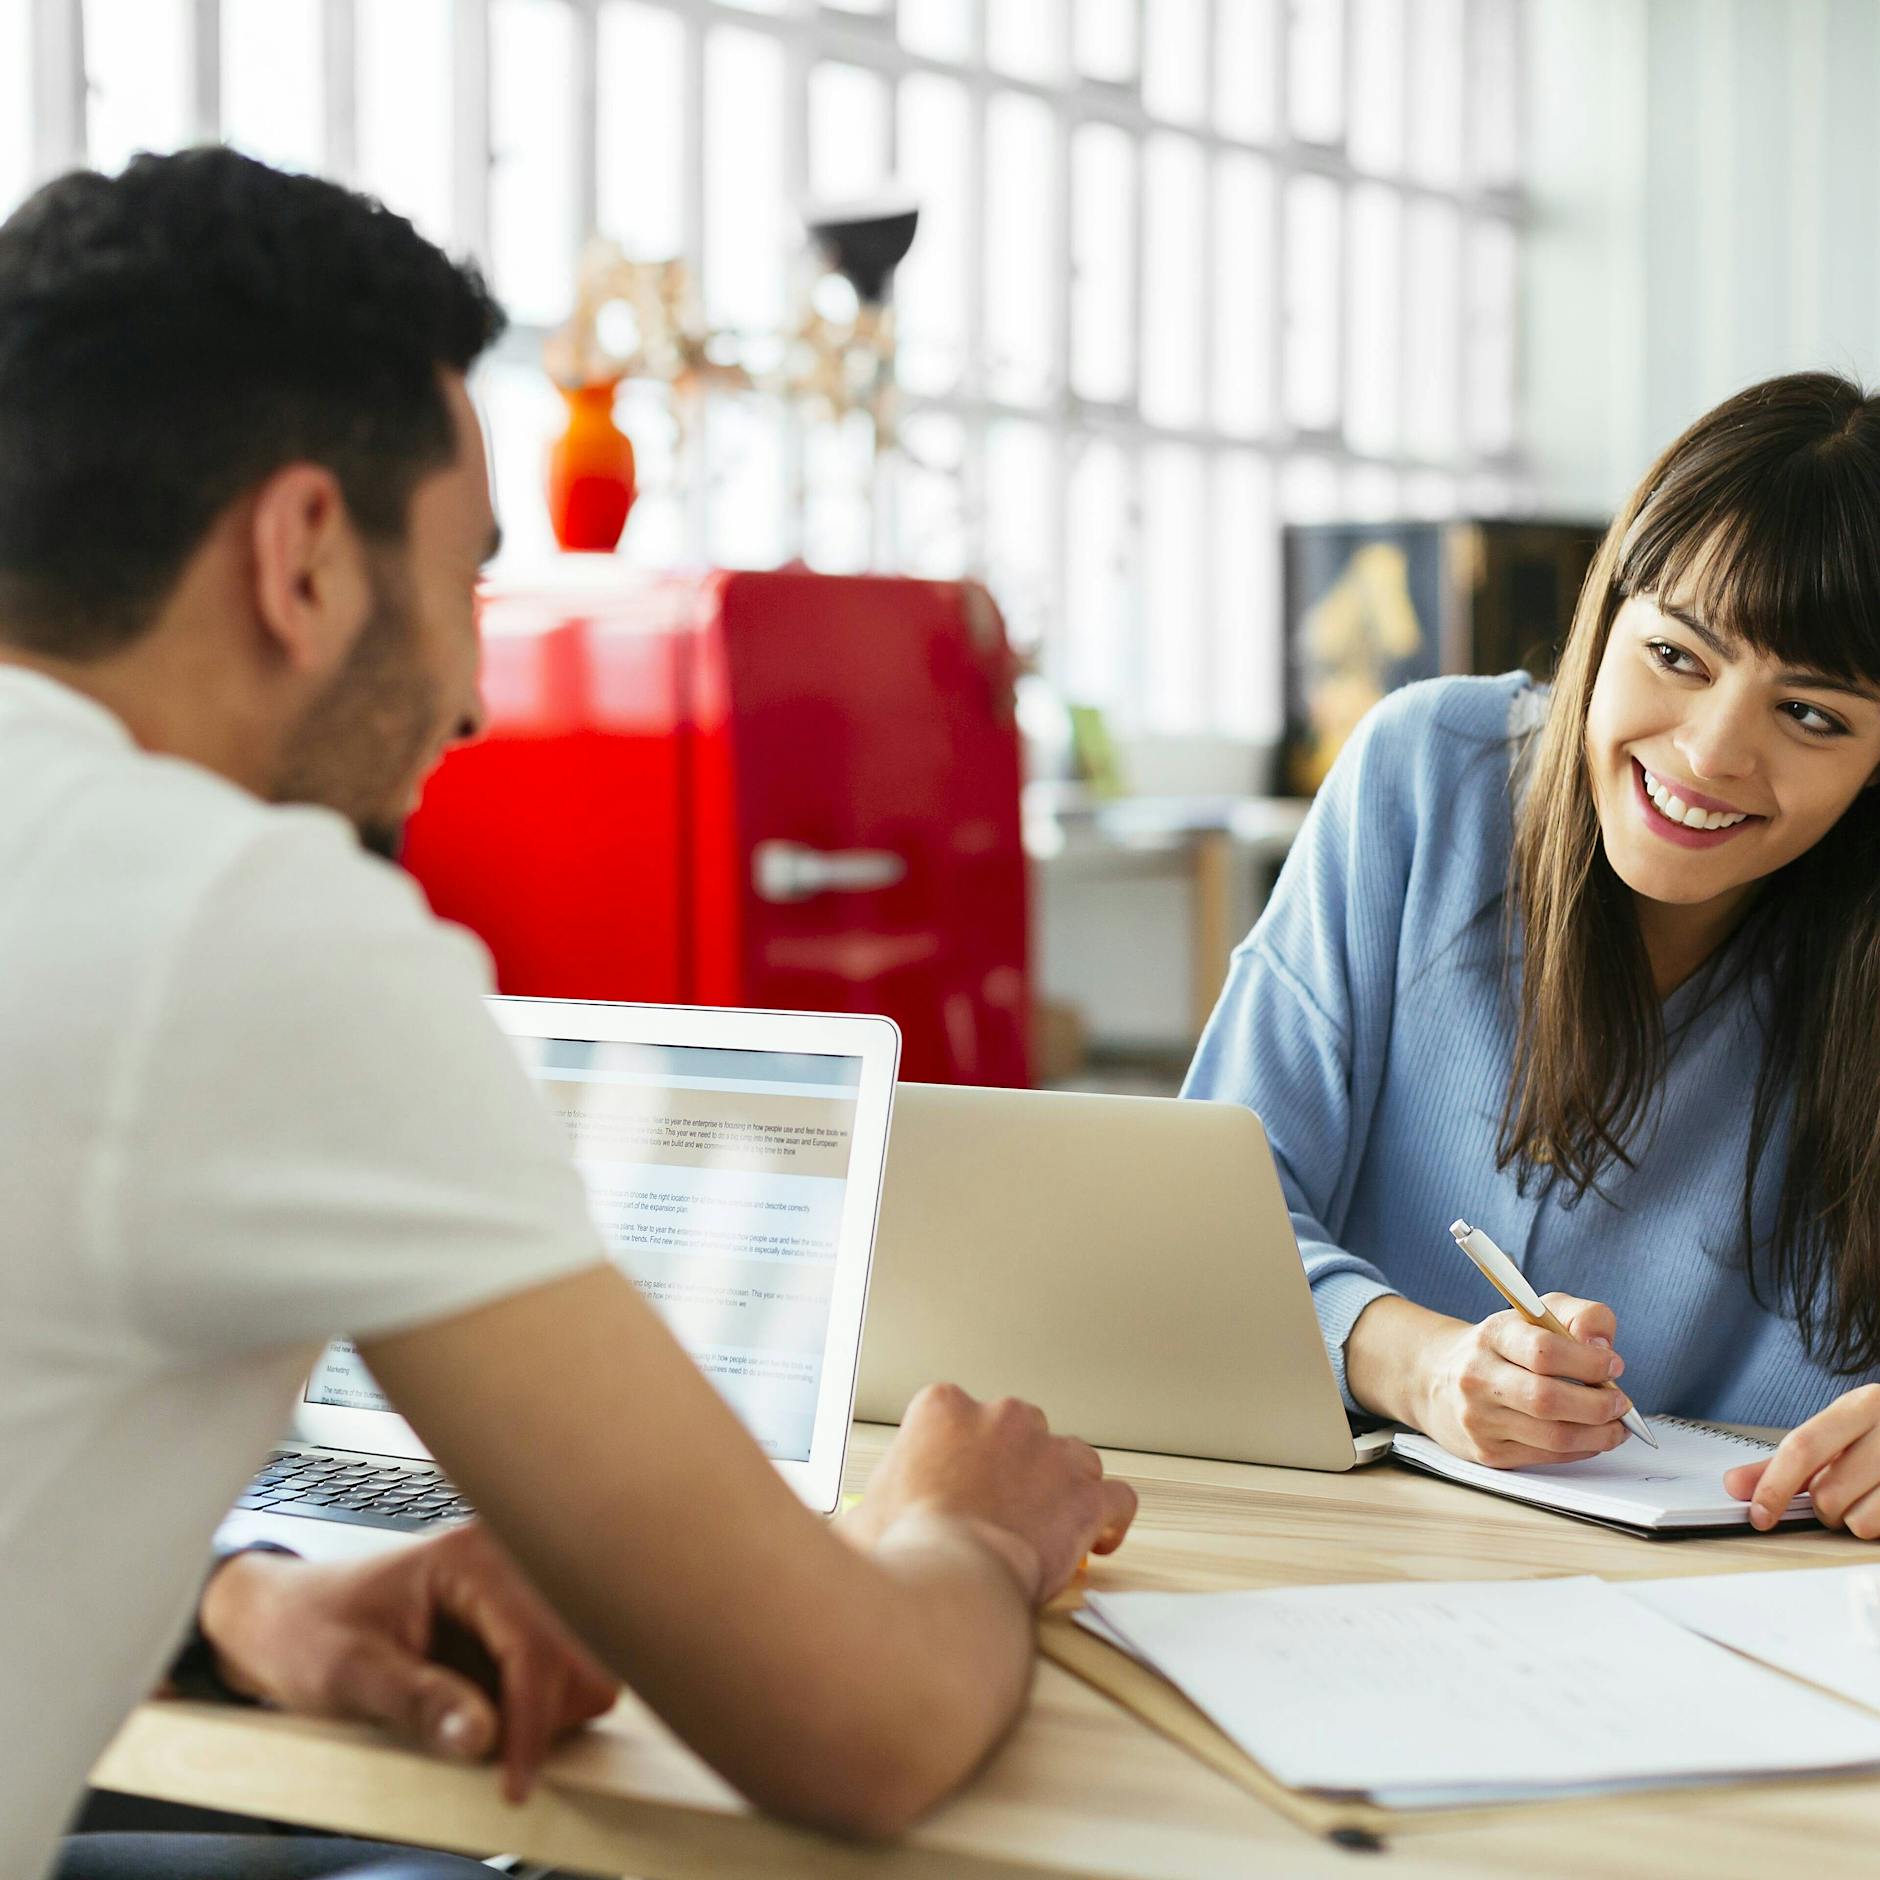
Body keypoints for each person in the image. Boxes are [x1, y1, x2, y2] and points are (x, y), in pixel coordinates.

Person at [0, 147, 1137, 1880]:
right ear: (304, 554)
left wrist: (229, 1602)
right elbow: (861, 1723)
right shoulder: (239, 925)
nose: (469, 696)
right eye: (464, 583)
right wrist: (963, 1533)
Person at [1186, 371, 1880, 1533]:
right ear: (1603, 614)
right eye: (1676, 654)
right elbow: (1208, 1211)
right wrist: (1411, 1363)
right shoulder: (1425, 774)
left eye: (1810, 715)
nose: (1710, 754)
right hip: (1360, 1548)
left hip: (1770, 1603)